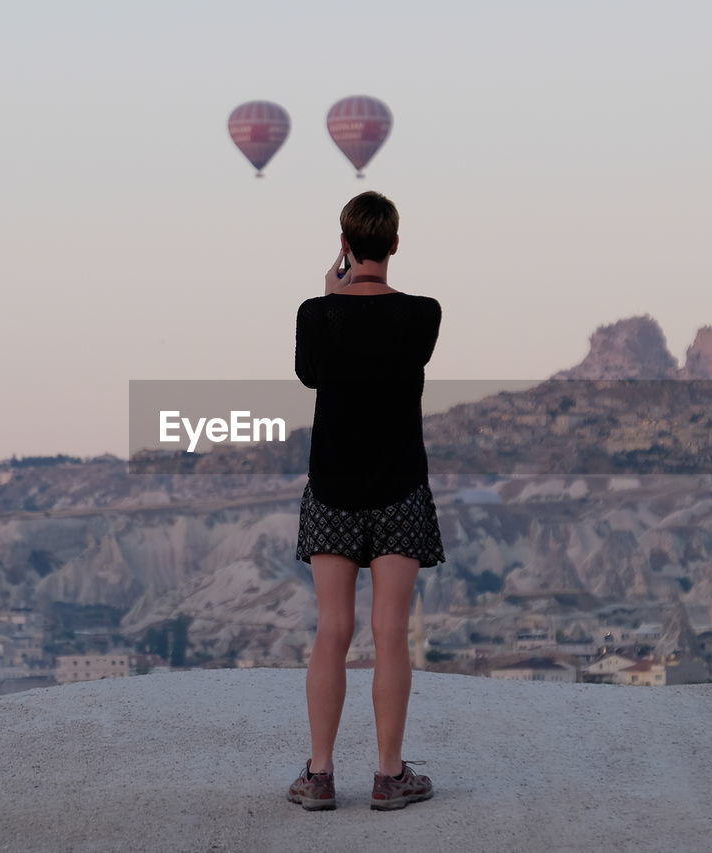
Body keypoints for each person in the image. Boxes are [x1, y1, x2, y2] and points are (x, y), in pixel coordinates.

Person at [288, 191, 444, 811]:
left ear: (345, 245)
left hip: (332, 487)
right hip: (400, 487)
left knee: (332, 630)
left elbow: (311, 374)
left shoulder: (315, 314)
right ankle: (388, 775)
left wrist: (332, 298)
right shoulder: (424, 315)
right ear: (396, 244)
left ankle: (320, 775)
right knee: (390, 633)